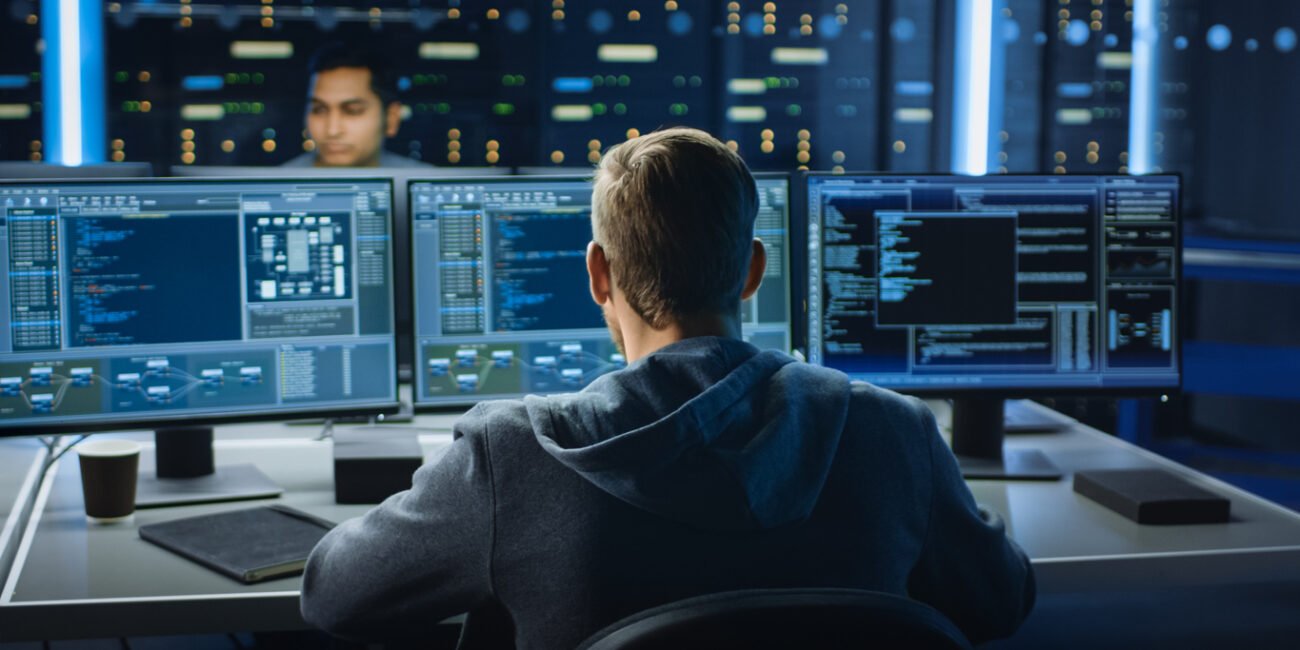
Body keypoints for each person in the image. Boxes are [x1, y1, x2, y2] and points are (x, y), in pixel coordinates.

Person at [300, 128, 1035, 649]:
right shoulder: (892, 432)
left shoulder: (512, 455)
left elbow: (336, 599)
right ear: (753, 270)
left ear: (598, 274)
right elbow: (1001, 602)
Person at [282, 42, 429, 168]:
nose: (332, 130)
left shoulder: (425, 183)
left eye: (353, 111)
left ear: (391, 118)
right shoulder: (278, 184)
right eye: (319, 110)